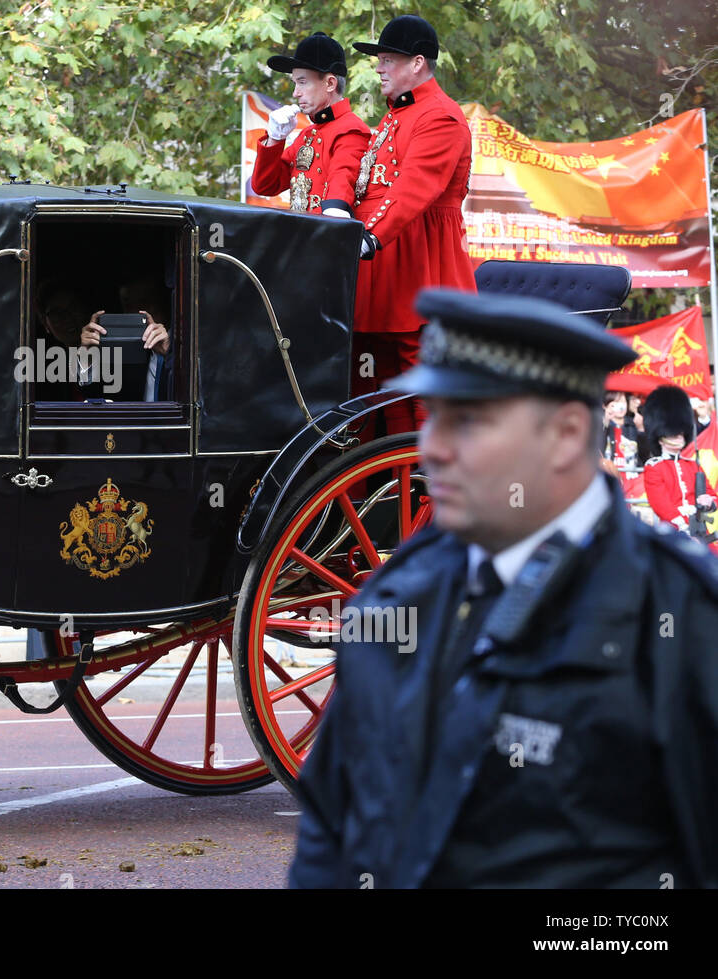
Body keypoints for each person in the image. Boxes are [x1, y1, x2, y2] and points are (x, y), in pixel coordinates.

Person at [290, 288, 718, 888]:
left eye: (468, 421)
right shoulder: (400, 593)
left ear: (567, 434)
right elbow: (330, 836)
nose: (433, 448)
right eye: (432, 415)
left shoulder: (681, 610)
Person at [348, 15, 476, 434]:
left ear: (418, 63)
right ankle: (397, 490)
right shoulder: (396, 116)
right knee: (388, 384)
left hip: (420, 263)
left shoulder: (441, 116)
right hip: (385, 261)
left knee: (419, 378)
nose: (379, 68)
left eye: (387, 60)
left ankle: (424, 492)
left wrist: (369, 237)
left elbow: (413, 190)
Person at [250, 32, 371, 217]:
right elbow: (265, 185)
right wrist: (275, 138)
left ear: (330, 83)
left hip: (324, 239)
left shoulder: (351, 130)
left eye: (302, 82)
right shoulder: (308, 134)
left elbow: (338, 200)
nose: (296, 93)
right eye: (295, 83)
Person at [641, 385, 716, 543]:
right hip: (673, 533)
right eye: (673, 434)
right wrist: (684, 531)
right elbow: (663, 507)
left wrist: (709, 502)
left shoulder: (692, 464)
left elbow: (711, 494)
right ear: (661, 435)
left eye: (680, 433)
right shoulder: (654, 467)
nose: (678, 437)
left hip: (701, 529)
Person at [601, 389, 640, 473]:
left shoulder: (634, 424)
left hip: (633, 476)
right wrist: (605, 424)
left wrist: (641, 429)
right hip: (611, 473)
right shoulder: (601, 425)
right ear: (605, 406)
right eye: (615, 403)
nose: (621, 407)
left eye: (623, 401)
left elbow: (644, 452)